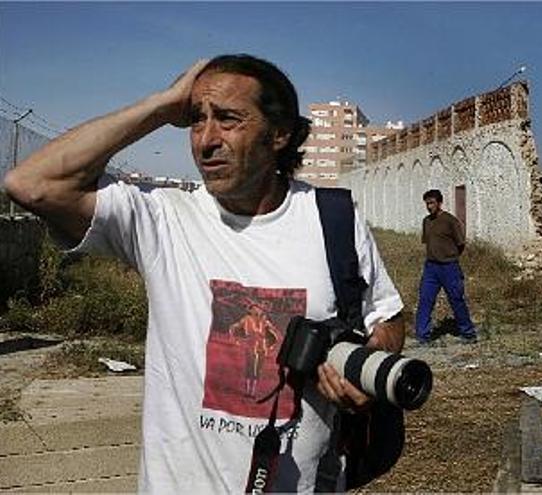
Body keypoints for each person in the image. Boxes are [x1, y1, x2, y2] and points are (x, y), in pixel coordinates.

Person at [3, 54, 405, 493]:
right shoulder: (163, 219)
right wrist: (162, 105)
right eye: (196, 121)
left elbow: (385, 316)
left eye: (228, 119)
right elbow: (32, 184)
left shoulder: (334, 220)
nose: (205, 141)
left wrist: (365, 365)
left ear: (280, 133)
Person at [414, 189, 477, 345]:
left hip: (449, 267)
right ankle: (422, 336)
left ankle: (467, 332)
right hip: (431, 268)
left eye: (432, 203)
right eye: (427, 203)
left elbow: (460, 244)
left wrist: (449, 257)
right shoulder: (426, 221)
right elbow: (428, 243)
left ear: (440, 203)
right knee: (425, 300)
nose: (429, 207)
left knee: (456, 299)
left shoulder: (450, 221)